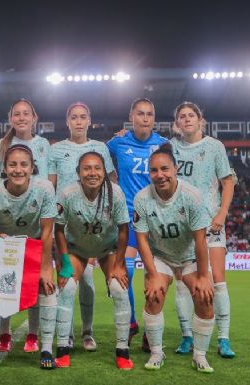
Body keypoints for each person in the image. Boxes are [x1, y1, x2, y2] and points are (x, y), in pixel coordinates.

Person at [133, 143, 216, 373]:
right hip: (161, 257)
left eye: (165, 169)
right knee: (154, 294)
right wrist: (151, 274)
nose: (160, 175)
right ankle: (157, 352)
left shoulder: (192, 197)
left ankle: (199, 356)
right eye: (154, 170)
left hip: (189, 257)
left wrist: (202, 275)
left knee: (205, 296)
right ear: (149, 172)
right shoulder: (142, 199)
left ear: (175, 169)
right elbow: (141, 240)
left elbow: (200, 240)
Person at [0, 144, 58, 369]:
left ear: (32, 167)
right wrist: (1, 237)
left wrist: (45, 267)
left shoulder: (44, 189)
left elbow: (46, 231)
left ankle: (46, 350)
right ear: (4, 168)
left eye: (24, 164)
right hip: (3, 246)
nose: (18, 170)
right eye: (12, 164)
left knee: (47, 286)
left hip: (33, 247)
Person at [54, 151, 133, 369]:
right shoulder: (67, 193)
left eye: (97, 168)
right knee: (68, 287)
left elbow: (124, 230)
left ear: (104, 172)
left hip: (107, 249)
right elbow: (58, 230)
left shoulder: (115, 193)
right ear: (78, 172)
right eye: (87, 168)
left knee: (118, 288)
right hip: (77, 249)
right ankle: (62, 349)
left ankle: (122, 351)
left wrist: (118, 264)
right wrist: (65, 262)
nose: (92, 173)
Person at [49, 102, 117, 351]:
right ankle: (65, 334)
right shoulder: (56, 150)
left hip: (95, 224)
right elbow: (50, 186)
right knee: (66, 282)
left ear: (90, 121)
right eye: (74, 117)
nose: (78, 121)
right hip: (65, 225)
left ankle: (87, 332)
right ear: (67, 122)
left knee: (88, 280)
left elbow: (112, 183)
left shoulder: (100, 148)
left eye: (83, 117)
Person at [170, 101, 236, 358]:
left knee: (218, 281)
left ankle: (224, 338)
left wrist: (221, 214)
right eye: (182, 116)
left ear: (200, 120)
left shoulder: (214, 146)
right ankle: (187, 335)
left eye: (191, 115)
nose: (186, 119)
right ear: (177, 123)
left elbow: (227, 183)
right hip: (182, 225)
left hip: (211, 222)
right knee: (183, 283)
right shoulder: (171, 147)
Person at [0, 99, 51, 353]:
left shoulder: (44, 145)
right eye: (17, 114)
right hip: (6, 226)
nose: (22, 117)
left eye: (26, 113)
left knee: (35, 283)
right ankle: (4, 334)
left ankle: (33, 335)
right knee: (6, 282)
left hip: (36, 222)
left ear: (34, 117)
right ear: (10, 118)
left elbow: (49, 181)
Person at [106, 97, 167, 349]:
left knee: (154, 275)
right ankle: (131, 322)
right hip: (129, 218)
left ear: (154, 118)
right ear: (131, 116)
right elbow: (104, 168)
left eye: (149, 114)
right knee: (126, 270)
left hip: (157, 218)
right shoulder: (117, 143)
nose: (145, 118)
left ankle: (149, 325)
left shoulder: (164, 144)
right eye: (140, 113)